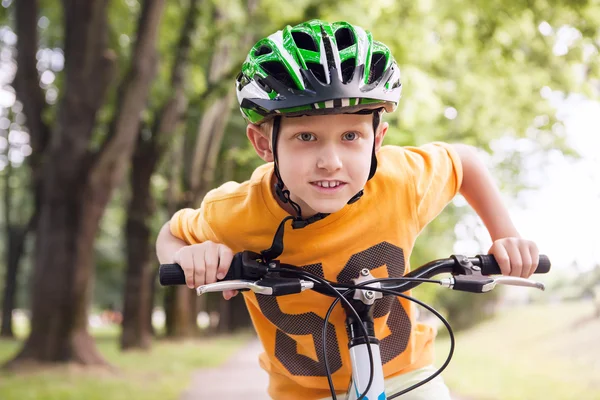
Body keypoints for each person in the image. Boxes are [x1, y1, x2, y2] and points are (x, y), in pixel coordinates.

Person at [155, 19, 540, 400]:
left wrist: (505, 236)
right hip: (304, 394)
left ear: (377, 140)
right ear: (264, 144)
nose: (331, 162)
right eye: (306, 137)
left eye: (351, 136)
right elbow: (171, 234)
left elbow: (465, 162)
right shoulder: (234, 213)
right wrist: (190, 256)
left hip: (406, 377)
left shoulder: (399, 180)